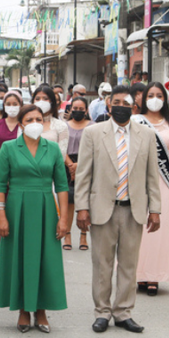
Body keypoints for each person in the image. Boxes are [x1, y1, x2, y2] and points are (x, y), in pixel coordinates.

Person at [75, 86, 161, 333]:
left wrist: (155, 209)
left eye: (126, 103)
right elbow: (83, 174)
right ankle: (102, 312)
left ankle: (123, 312)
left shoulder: (147, 134)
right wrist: (82, 207)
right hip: (102, 209)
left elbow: (152, 175)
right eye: (117, 102)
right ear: (109, 105)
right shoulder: (93, 133)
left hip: (133, 209)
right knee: (102, 264)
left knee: (128, 265)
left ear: (134, 107)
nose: (121, 106)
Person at [0, 103, 71, 332]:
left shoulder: (52, 148)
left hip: (46, 207)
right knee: (20, 258)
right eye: (29, 120)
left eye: (38, 120)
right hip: (17, 208)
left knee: (45, 258)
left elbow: (62, 186)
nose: (35, 124)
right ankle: (23, 309)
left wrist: (64, 219)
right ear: (20, 124)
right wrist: (1, 215)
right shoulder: (8, 148)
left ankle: (41, 310)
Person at [134, 82, 169, 296]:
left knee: (160, 228)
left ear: (165, 99)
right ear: (144, 98)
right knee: (138, 228)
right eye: (151, 95)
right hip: (139, 180)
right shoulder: (135, 121)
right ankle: (139, 273)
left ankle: (154, 275)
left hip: (164, 181)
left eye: (159, 95)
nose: (155, 99)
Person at [0, 90, 23, 265]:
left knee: (16, 209)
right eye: (8, 104)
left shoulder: (24, 126)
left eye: (15, 104)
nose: (12, 107)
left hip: (19, 173)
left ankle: (14, 247)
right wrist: (2, 168)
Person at [63, 94, 91, 251]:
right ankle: (67, 235)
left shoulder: (93, 126)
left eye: (81, 108)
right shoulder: (64, 126)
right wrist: (70, 165)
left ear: (86, 110)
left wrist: (80, 165)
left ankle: (83, 236)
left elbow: (96, 149)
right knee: (69, 201)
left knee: (85, 201)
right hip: (66, 164)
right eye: (75, 108)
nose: (78, 111)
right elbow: (61, 147)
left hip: (87, 163)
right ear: (70, 109)